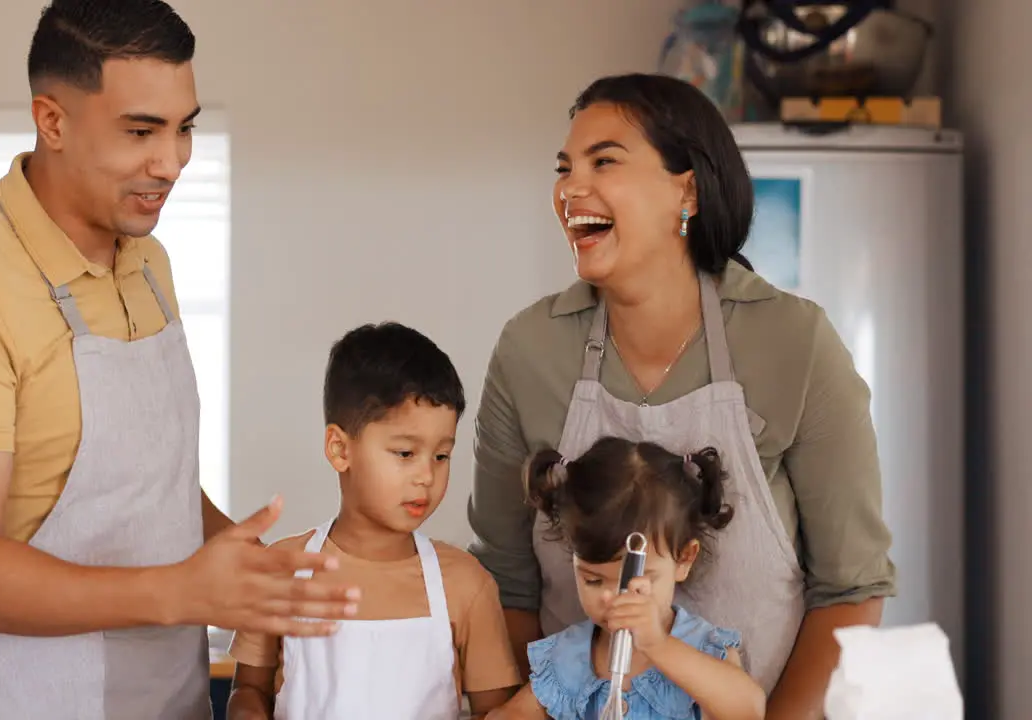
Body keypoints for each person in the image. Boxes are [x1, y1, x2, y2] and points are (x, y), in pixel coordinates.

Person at [0, 2, 358, 718]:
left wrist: (249, 570)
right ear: (53, 122)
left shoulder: (149, 263)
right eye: (141, 131)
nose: (170, 162)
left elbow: (148, 485)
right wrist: (182, 592)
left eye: (184, 127)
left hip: (169, 698)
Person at [466, 72, 897, 718]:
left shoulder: (793, 342)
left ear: (686, 189)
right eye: (564, 168)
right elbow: (506, 581)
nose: (568, 189)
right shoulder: (530, 351)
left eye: (603, 161)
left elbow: (851, 587)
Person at [226, 322, 522, 720]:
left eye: (441, 455)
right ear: (339, 449)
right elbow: (248, 689)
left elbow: (499, 713)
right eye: (404, 453)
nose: (426, 476)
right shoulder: (282, 570)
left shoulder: (467, 585)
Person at [489, 437, 766, 720]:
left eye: (637, 583)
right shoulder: (567, 657)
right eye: (593, 581)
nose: (614, 599)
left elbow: (749, 711)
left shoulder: (704, 649)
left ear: (683, 559)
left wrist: (658, 645)